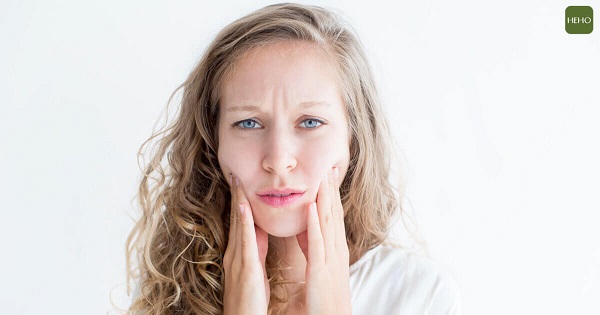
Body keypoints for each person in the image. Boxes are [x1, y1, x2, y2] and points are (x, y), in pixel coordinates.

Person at [126, 3, 461, 314]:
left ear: (353, 140)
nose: (278, 159)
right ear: (214, 142)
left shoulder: (418, 295)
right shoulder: (171, 290)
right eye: (249, 123)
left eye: (311, 122)